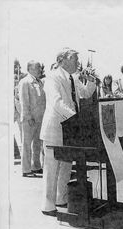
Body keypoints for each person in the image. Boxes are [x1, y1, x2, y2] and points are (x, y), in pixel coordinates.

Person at [40, 48, 96, 217]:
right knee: (51, 168)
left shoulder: (74, 78)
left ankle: (60, 198)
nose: (78, 63)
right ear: (62, 60)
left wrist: (91, 81)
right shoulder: (52, 77)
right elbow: (56, 103)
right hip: (55, 128)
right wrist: (76, 118)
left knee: (66, 165)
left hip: (70, 129)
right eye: (75, 59)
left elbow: (85, 93)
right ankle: (48, 204)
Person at [18, 61, 46, 177]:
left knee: (37, 145)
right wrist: (28, 117)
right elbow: (24, 101)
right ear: (30, 68)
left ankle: (36, 166)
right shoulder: (25, 82)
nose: (40, 70)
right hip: (29, 119)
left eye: (40, 68)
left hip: (40, 118)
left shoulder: (40, 82)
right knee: (27, 144)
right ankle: (26, 169)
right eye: (37, 68)